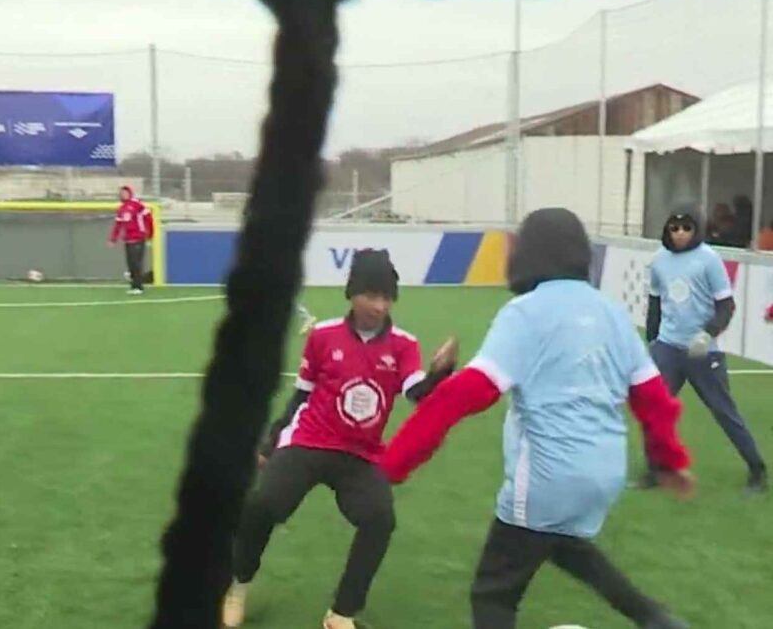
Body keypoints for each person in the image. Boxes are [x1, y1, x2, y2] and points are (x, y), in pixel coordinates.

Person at [379, 208, 693, 629]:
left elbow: (463, 395)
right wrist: (669, 460)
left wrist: (391, 466)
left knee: (493, 593)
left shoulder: (525, 313)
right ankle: (654, 618)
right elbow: (653, 398)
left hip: (548, 475)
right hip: (605, 473)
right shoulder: (613, 313)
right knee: (560, 542)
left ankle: (654, 618)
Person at [222, 249, 458, 629]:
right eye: (372, 295)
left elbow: (417, 394)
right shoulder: (322, 336)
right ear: (352, 293)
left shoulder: (404, 345)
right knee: (262, 505)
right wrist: (270, 443)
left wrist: (439, 374)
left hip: (359, 455)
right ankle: (237, 587)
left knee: (380, 519)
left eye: (387, 297)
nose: (380, 306)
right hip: (309, 441)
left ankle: (341, 613)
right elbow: (301, 395)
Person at [642, 206, 767, 492]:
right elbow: (655, 303)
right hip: (668, 348)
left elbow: (726, 305)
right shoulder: (659, 260)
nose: (680, 234)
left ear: (696, 229)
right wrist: (652, 341)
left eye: (687, 228)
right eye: (674, 228)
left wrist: (707, 333)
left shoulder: (708, 259)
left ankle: (757, 470)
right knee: (655, 410)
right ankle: (655, 470)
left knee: (724, 411)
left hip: (703, 351)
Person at [109, 185, 154, 295]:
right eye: (121, 193)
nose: (123, 195)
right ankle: (134, 286)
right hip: (128, 240)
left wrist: (150, 233)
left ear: (130, 193)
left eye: (125, 193)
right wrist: (113, 239)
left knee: (136, 263)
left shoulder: (137, 204)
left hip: (138, 238)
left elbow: (148, 217)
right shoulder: (121, 208)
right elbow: (118, 225)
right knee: (130, 264)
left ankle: (139, 287)